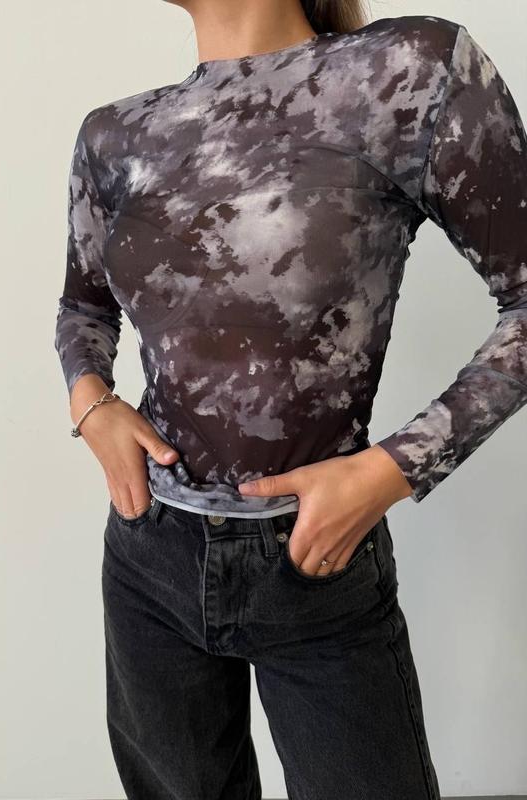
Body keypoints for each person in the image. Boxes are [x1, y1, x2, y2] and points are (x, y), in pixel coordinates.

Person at [54, 0, 527, 797]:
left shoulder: (406, 72)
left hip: (316, 561)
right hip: (149, 557)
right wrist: (91, 403)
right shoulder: (114, 136)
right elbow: (82, 308)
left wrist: (391, 470)